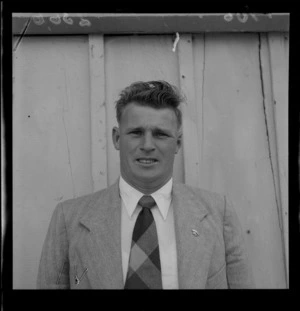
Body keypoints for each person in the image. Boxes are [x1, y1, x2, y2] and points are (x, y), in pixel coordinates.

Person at [37, 80, 254, 289]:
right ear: (116, 138)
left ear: (177, 143)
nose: (147, 145)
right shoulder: (68, 219)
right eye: (136, 133)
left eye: (160, 134)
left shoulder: (218, 212)